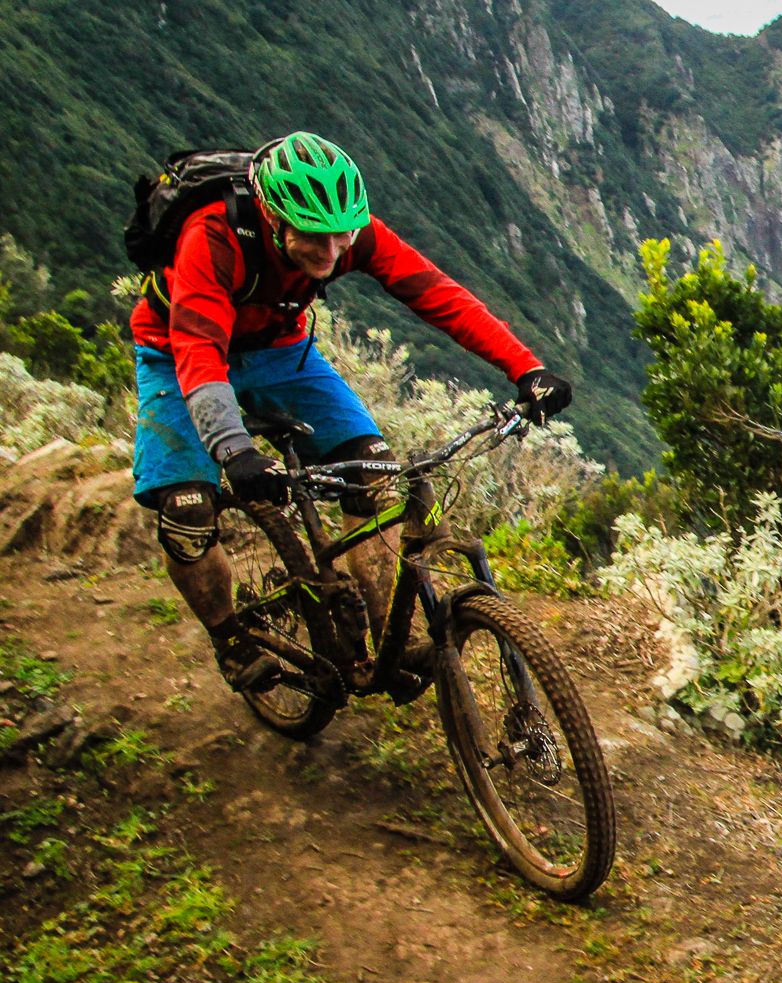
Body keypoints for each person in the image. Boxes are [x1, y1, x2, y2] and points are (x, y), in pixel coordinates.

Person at [129, 131, 574, 690]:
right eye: (315, 238)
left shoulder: (351, 232)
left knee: (372, 474)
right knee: (187, 514)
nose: (332, 251)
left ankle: (390, 638)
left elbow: (436, 293)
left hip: (279, 351)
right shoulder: (213, 235)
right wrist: (235, 449)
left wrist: (525, 368)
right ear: (272, 216)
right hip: (176, 354)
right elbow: (197, 351)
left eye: (342, 236)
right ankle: (231, 642)